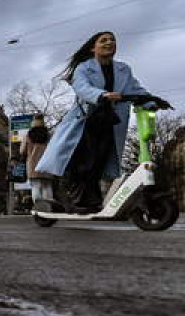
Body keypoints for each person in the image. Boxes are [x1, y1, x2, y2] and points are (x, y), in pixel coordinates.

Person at [35, 32, 158, 213]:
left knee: (99, 162)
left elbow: (136, 89)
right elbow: (81, 87)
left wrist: (152, 101)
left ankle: (91, 201)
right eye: (104, 40)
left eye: (112, 40)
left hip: (110, 121)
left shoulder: (124, 69)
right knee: (84, 162)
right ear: (94, 47)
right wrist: (100, 95)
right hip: (87, 121)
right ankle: (75, 198)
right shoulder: (84, 68)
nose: (110, 42)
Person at [20, 114, 55, 207]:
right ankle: (49, 208)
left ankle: (39, 208)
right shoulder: (49, 135)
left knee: (35, 187)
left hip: (33, 165)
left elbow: (22, 151)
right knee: (47, 186)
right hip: (47, 164)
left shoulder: (27, 135)